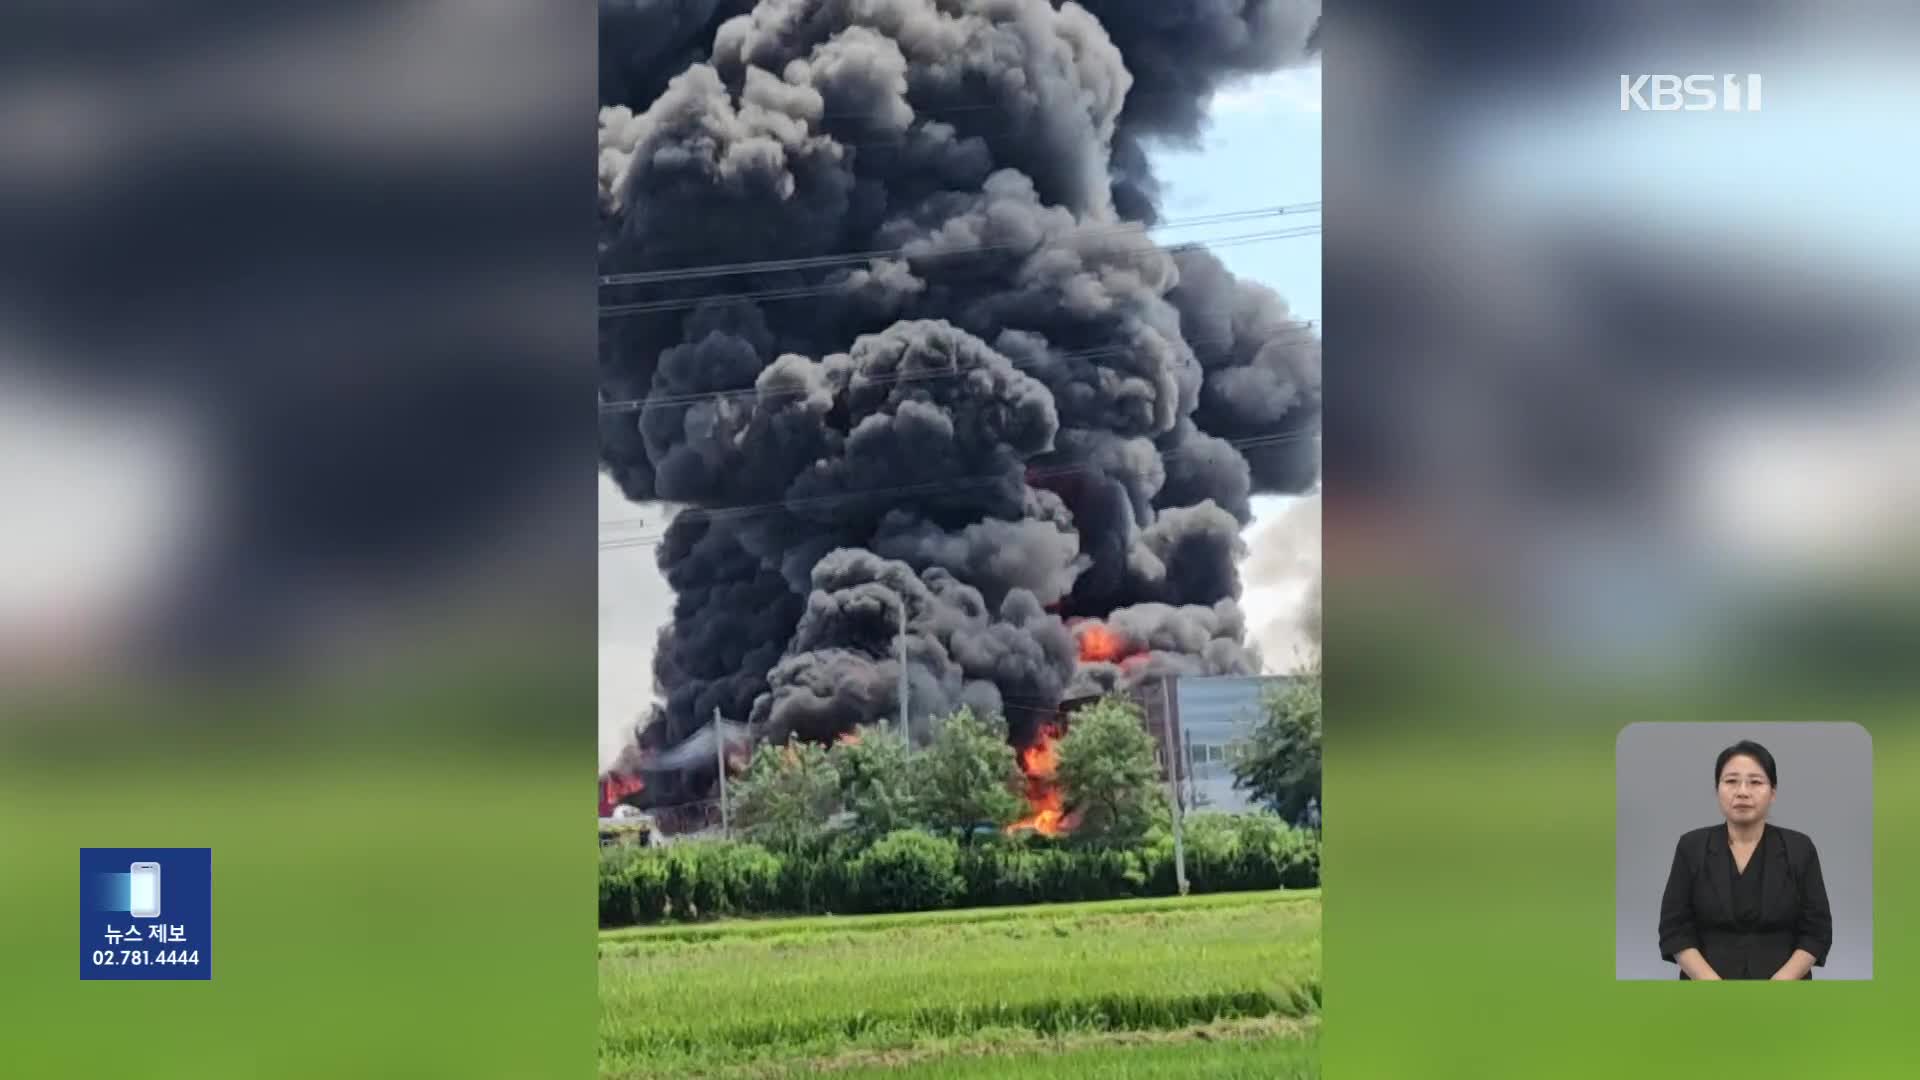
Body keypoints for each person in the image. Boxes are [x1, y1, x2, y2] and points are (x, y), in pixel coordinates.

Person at [1658, 740, 1833, 980]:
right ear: (1717, 788)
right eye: (1731, 781)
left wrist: (1779, 986)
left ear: (1772, 792)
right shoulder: (1692, 847)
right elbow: (1675, 929)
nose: (1742, 791)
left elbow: (1816, 930)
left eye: (1755, 782)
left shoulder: (1799, 849)